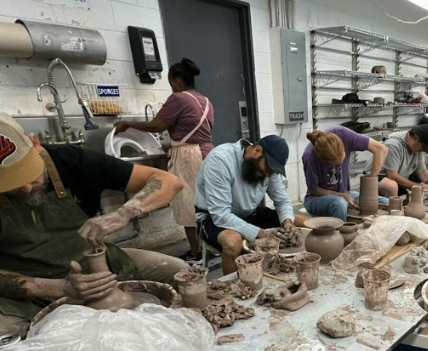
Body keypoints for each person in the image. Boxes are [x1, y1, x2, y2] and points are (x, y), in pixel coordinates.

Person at [0, 113, 188, 351]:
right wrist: (59, 288)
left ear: (34, 143)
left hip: (95, 267)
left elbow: (168, 181)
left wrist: (122, 214)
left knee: (182, 276)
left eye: (26, 173)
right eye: (6, 183)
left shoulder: (71, 160)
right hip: (19, 285)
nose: (26, 188)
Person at [114, 58, 213, 265]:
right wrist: (173, 145)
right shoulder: (205, 101)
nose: (171, 88)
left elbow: (156, 126)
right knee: (206, 202)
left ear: (177, 81)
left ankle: (196, 252)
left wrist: (127, 124)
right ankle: (210, 245)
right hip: (207, 154)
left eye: (170, 83)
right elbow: (197, 133)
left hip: (189, 159)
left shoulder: (178, 98)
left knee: (187, 204)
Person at [195, 135, 306, 274]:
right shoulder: (220, 160)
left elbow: (282, 200)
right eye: (266, 170)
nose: (268, 174)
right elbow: (221, 215)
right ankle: (232, 289)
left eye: (271, 172)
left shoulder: (269, 168)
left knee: (300, 221)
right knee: (232, 241)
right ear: (257, 151)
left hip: (248, 214)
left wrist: (289, 224)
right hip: (213, 218)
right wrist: (262, 234)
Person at [302, 127, 387, 221]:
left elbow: (381, 149)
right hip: (316, 199)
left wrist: (371, 183)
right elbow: (314, 189)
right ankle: (340, 233)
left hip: (344, 193)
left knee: (386, 202)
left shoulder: (344, 135)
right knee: (340, 203)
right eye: (337, 164)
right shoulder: (310, 157)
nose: (341, 164)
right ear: (324, 160)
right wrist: (342, 196)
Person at [378, 124, 428, 197]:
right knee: (391, 186)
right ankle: (392, 207)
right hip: (379, 179)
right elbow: (392, 176)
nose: (422, 150)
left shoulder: (417, 147)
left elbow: (422, 171)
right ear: (416, 138)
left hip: (402, 176)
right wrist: (417, 186)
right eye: (423, 147)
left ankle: (419, 204)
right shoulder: (393, 144)